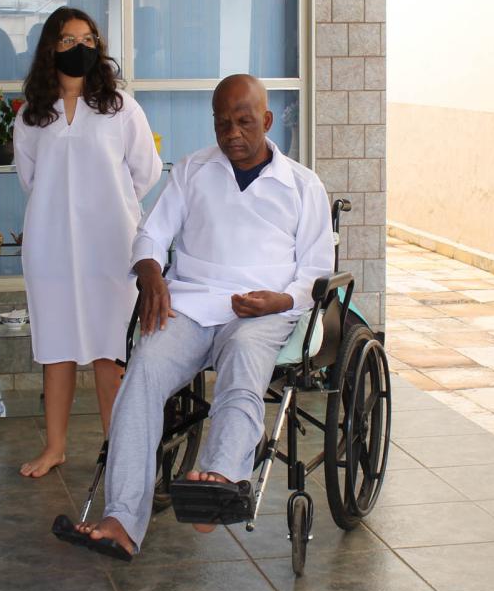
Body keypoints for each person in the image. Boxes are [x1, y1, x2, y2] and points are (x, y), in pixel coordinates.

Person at [64, 74, 331, 559]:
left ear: (267, 120)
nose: (232, 133)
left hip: (262, 309)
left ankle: (220, 479)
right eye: (222, 123)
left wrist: (279, 301)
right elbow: (151, 235)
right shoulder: (192, 170)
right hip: (190, 302)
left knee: (244, 359)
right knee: (142, 372)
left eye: (244, 122)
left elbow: (315, 271)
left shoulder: (301, 184)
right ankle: (122, 519)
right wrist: (150, 273)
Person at [13, 7, 161, 478]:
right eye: (68, 40)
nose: (80, 48)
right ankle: (54, 446)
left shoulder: (121, 108)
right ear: (50, 48)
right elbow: (29, 178)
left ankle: (117, 450)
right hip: (51, 246)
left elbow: (146, 171)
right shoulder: (33, 115)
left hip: (111, 246)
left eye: (88, 39)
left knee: (108, 349)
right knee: (55, 346)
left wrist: (108, 205)